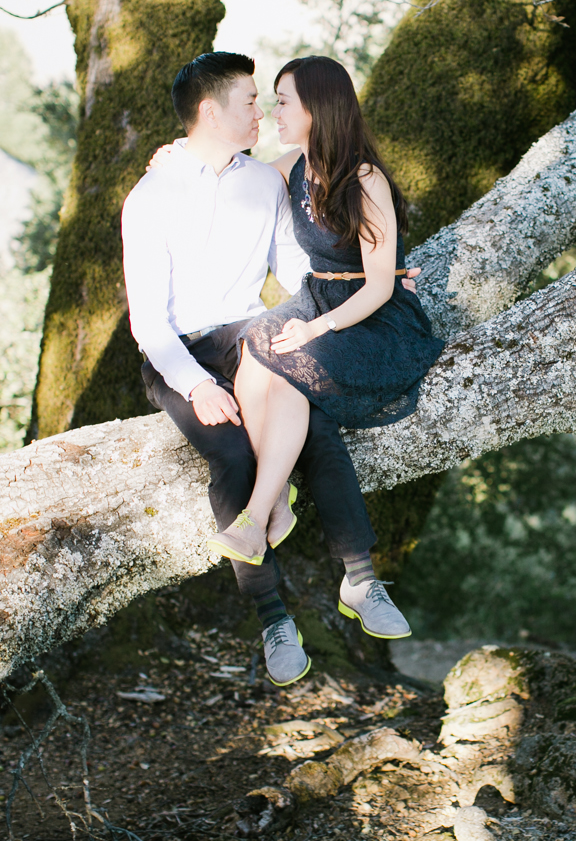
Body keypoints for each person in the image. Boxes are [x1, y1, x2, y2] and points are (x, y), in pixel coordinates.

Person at [122, 51, 417, 688]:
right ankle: (272, 616)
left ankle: (362, 580)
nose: (261, 111)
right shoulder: (150, 197)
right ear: (210, 111)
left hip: (249, 336)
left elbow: (298, 268)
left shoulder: (266, 180)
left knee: (317, 429)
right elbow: (146, 320)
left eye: (267, 100)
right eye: (250, 101)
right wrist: (197, 385)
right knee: (232, 453)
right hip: (182, 353)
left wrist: (379, 276)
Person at [202, 55, 445, 638]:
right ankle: (282, 508)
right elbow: (229, 170)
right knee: (256, 348)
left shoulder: (365, 179)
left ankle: (258, 515)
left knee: (285, 361)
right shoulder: (291, 166)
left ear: (318, 106)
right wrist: (176, 158)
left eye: (284, 101)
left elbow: (382, 284)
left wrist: (315, 330)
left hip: (371, 317)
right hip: (317, 298)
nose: (275, 113)